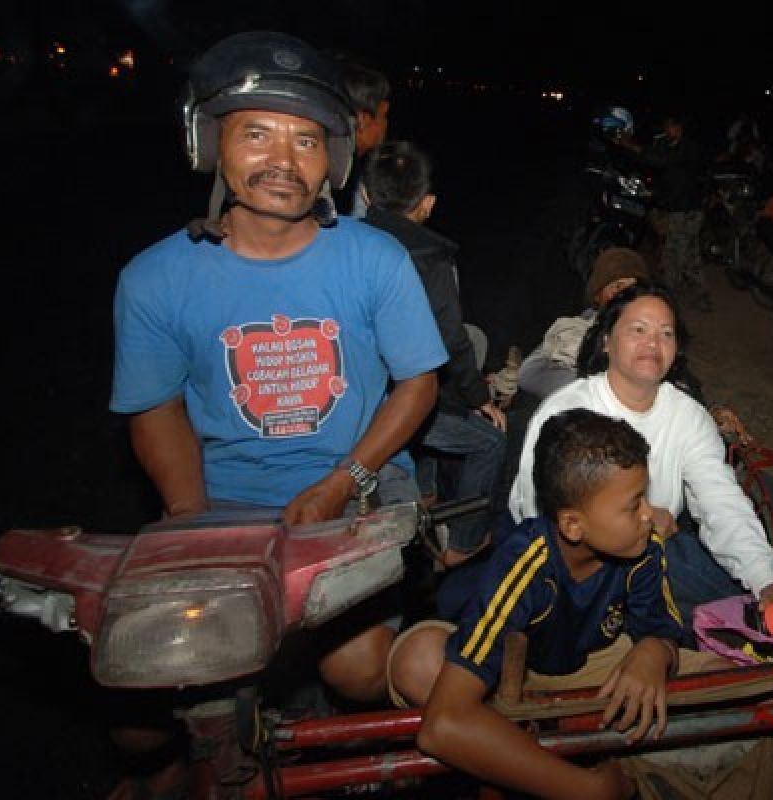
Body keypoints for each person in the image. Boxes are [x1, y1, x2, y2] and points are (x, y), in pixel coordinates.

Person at [110, 31, 447, 715]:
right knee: (147, 708)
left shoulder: (376, 260)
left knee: (357, 669)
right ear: (210, 145)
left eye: (306, 141)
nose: (283, 161)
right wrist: (191, 522)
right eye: (257, 135)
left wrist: (338, 484)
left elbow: (418, 384)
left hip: (354, 493)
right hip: (224, 505)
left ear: (334, 161)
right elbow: (156, 408)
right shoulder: (154, 279)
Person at [389, 408, 730, 799]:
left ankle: (543, 746)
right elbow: (442, 726)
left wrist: (655, 650)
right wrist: (590, 791)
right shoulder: (527, 562)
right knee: (418, 661)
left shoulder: (643, 546)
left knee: (731, 679)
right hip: (518, 672)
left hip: (597, 662)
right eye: (634, 503)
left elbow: (660, 624)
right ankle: (546, 758)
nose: (650, 515)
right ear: (572, 525)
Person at [508, 284, 773, 639]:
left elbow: (720, 501)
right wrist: (621, 529)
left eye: (666, 333)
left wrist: (765, 582)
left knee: (729, 607)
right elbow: (533, 511)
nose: (653, 343)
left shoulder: (687, 416)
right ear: (607, 342)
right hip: (576, 566)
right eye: (638, 330)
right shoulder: (567, 411)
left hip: (654, 558)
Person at [363, 140, 507, 565]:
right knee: (491, 442)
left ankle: (424, 494)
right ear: (427, 204)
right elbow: (449, 339)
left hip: (360, 390)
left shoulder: (346, 243)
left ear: (368, 197)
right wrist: (479, 398)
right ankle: (464, 542)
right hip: (396, 400)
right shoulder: (429, 258)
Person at [517, 247, 650, 401]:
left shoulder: (654, 335)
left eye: (632, 289)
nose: (624, 295)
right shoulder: (572, 329)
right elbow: (528, 374)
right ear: (597, 296)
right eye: (617, 287)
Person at [615, 113, 709, 311]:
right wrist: (626, 147)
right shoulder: (666, 144)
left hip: (689, 210)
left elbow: (660, 160)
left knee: (680, 254)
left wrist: (630, 145)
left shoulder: (688, 148)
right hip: (675, 209)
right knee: (681, 253)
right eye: (666, 126)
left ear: (680, 127)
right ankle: (682, 294)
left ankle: (685, 295)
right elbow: (648, 159)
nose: (668, 130)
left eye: (672, 126)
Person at [330, 60, 390, 217]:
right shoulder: (340, 175)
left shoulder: (350, 164)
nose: (386, 124)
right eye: (383, 116)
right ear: (363, 119)